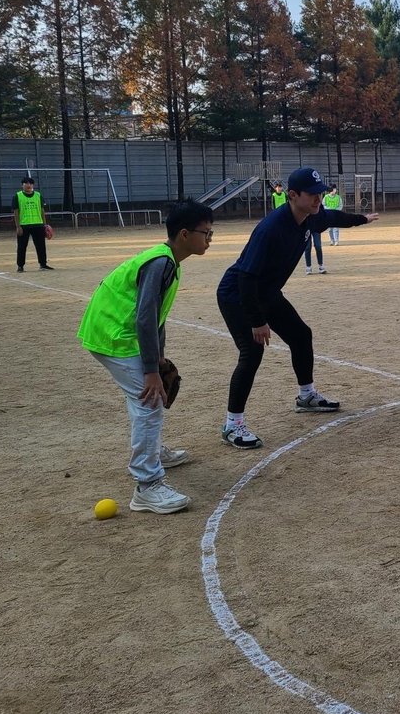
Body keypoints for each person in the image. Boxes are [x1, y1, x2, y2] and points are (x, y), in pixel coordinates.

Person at [215, 167, 379, 449]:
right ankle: (233, 425)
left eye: (321, 193)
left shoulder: (310, 217)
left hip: (266, 293)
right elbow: (246, 277)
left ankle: (306, 396)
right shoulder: (271, 228)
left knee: (301, 335)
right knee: (252, 352)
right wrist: (256, 320)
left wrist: (362, 219)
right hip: (239, 296)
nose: (319, 199)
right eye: (313, 195)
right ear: (292, 196)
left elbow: (335, 217)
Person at [77, 202, 215, 514]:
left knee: (148, 398)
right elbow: (143, 318)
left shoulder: (168, 260)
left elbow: (157, 317)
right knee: (149, 402)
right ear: (184, 234)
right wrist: (151, 370)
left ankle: (152, 453)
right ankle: (147, 486)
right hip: (114, 335)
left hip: (116, 332)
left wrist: (159, 358)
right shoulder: (160, 263)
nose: (209, 239)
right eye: (206, 233)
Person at [13, 176, 53, 272]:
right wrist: (18, 226)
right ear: (22, 185)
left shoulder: (38, 195)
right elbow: (15, 212)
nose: (28, 185)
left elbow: (42, 210)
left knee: (41, 246)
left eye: (30, 183)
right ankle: (20, 266)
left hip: (38, 224)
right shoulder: (17, 196)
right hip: (24, 225)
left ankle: (43, 264)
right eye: (26, 183)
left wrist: (45, 224)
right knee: (22, 247)